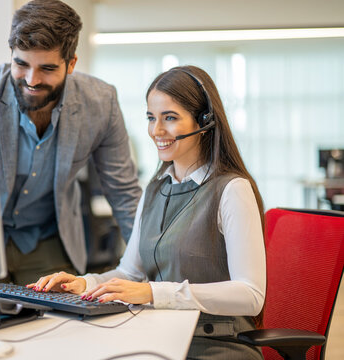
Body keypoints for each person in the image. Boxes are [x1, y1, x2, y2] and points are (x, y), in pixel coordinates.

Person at [30, 65, 266, 359]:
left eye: (170, 118)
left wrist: (154, 293)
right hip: (158, 336)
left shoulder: (231, 190)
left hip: (215, 345)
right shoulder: (155, 189)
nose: (156, 131)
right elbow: (129, 273)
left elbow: (250, 295)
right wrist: (85, 283)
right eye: (151, 118)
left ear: (205, 121)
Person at [0, 0, 141, 287]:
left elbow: (124, 194)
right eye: (21, 64)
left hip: (47, 239)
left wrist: (147, 270)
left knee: (57, 324)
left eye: (47, 68)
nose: (32, 80)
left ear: (71, 63)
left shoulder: (101, 102)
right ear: (11, 54)